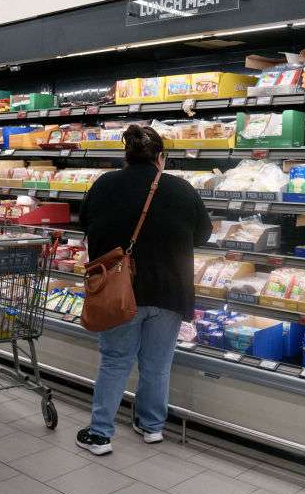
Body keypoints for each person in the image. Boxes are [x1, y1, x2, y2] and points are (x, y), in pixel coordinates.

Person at [76, 125, 211, 455]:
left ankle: (100, 434)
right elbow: (203, 234)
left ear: (126, 156)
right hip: (170, 291)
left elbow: (85, 225)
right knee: (157, 364)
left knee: (115, 361)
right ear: (161, 158)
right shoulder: (181, 188)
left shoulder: (104, 185)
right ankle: (151, 427)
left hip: (120, 290)